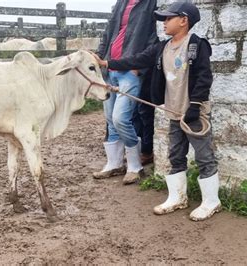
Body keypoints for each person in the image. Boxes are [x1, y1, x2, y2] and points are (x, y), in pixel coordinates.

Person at [93, 1, 221, 221]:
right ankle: (177, 197)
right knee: (175, 155)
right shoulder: (161, 47)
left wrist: (196, 105)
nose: (163, 23)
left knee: (204, 156)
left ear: (183, 21)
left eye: (168, 18)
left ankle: (211, 201)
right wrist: (107, 63)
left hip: (193, 113)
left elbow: (204, 77)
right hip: (173, 111)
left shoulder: (196, 46)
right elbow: (137, 59)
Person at [93, 0, 158, 185]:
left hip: (130, 71)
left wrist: (137, 68)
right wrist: (100, 56)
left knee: (121, 118)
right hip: (108, 69)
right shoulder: (121, 3)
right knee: (110, 119)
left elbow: (154, 37)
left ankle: (135, 166)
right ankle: (114, 163)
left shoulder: (151, 3)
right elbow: (108, 32)